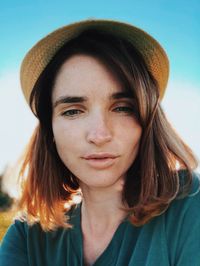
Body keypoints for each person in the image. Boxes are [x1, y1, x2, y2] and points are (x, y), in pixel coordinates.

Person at [0, 19, 199, 266]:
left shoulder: (190, 205)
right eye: (73, 111)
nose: (99, 134)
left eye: (122, 108)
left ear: (147, 119)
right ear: (49, 127)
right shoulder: (27, 238)